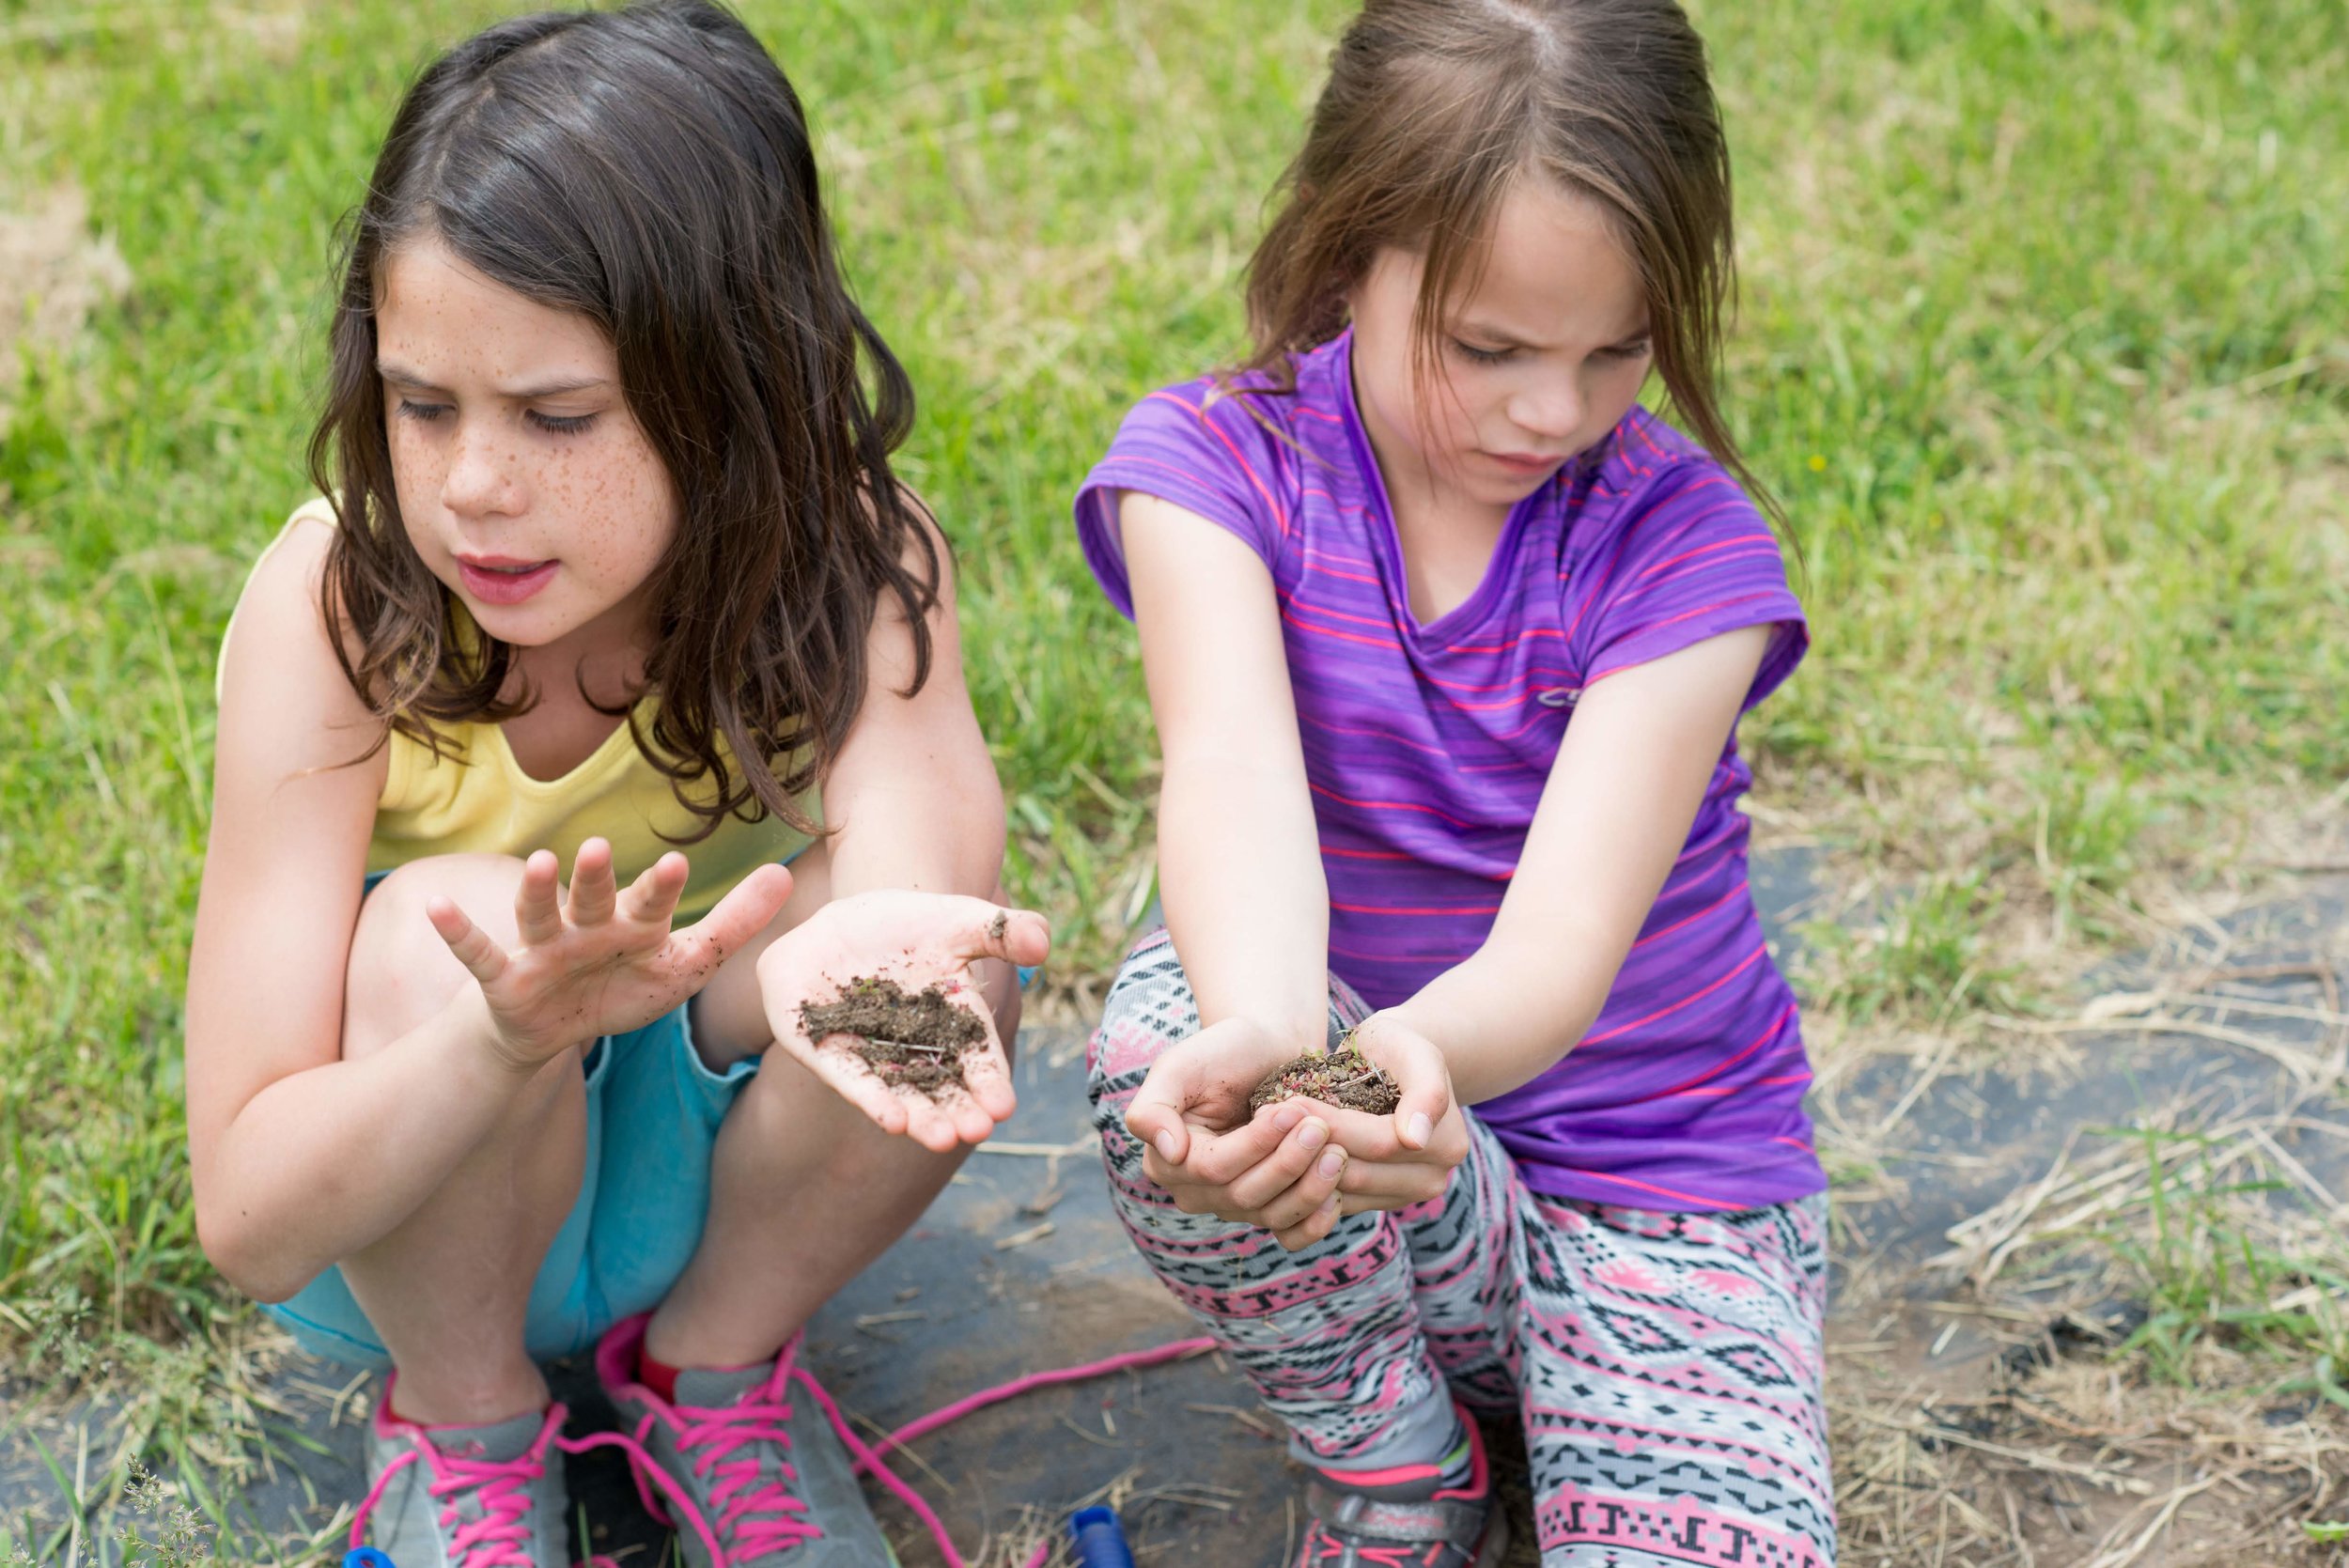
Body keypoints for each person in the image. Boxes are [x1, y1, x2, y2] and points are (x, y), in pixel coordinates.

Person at [183, 4, 1047, 1561]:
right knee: (448, 929)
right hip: (412, 1183)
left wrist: (897, 947)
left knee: (933, 955)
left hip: (700, 1177)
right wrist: (503, 1034)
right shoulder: (340, 609)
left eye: (555, 415)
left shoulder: (850, 556)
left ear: (735, 389)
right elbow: (248, 1219)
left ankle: (708, 1373)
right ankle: (466, 1432)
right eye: (421, 402)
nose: (469, 488)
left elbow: (922, 854)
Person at [1073, 2, 1832, 1563]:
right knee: (1172, 1038)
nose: (1552, 410)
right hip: (1379, 1163)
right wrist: (1288, 1048)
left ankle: (1584, 1395)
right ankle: (1401, 1461)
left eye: (1614, 349)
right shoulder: (1218, 468)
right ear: (1349, 252)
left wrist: (1397, 1064)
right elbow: (1230, 781)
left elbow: (1559, 951)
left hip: (1661, 1195)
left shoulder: (1686, 551)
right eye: (1489, 348)